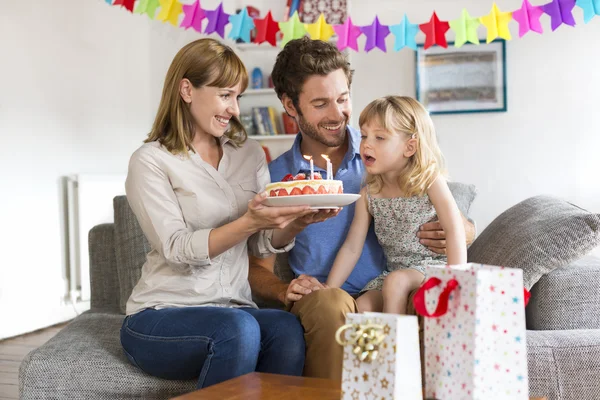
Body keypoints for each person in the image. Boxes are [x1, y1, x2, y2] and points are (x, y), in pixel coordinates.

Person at [248, 37, 476, 380]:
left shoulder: (387, 151)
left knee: (408, 296)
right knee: (332, 303)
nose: (338, 114)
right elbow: (257, 266)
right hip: (327, 295)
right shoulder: (278, 177)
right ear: (290, 106)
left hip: (395, 283)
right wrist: (284, 290)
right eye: (321, 103)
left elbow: (448, 216)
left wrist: (462, 230)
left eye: (343, 99)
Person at [120, 38, 337, 389]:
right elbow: (176, 248)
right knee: (238, 329)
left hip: (233, 309)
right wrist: (248, 221)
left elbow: (264, 244)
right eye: (225, 95)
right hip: (163, 315)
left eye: (238, 97)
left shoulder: (248, 154)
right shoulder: (150, 161)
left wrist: (296, 222)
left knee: (285, 328)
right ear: (187, 89)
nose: (234, 109)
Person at [326, 96, 467, 314]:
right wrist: (329, 289)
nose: (367, 144)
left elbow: (454, 228)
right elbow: (352, 247)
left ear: (409, 147)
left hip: (433, 268)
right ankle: (381, 347)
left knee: (396, 282)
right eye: (364, 136)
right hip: (395, 272)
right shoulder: (368, 195)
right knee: (363, 305)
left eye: (380, 137)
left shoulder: (429, 181)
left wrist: (456, 279)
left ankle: (399, 347)